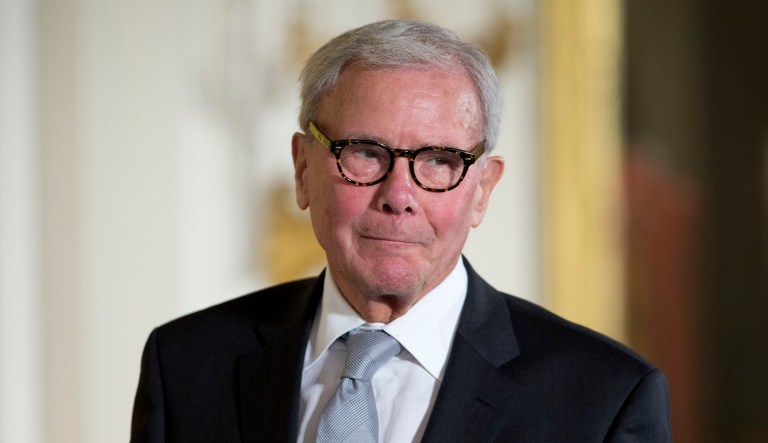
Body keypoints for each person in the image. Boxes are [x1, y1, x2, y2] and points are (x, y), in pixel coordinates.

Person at [131, 19, 671, 442]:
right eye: (365, 153)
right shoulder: (185, 366)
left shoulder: (603, 400)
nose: (399, 196)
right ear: (302, 170)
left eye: (438, 160)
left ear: (482, 189)